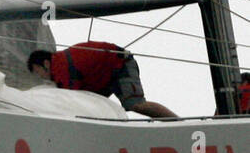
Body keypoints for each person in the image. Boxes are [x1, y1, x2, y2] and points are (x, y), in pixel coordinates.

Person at [26, 42, 177, 119]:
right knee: (92, 106)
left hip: (120, 65)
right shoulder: (59, 64)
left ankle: (177, 123)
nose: (39, 76)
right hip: (104, 75)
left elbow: (71, 101)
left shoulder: (60, 68)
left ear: (45, 64)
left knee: (135, 105)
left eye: (37, 71)